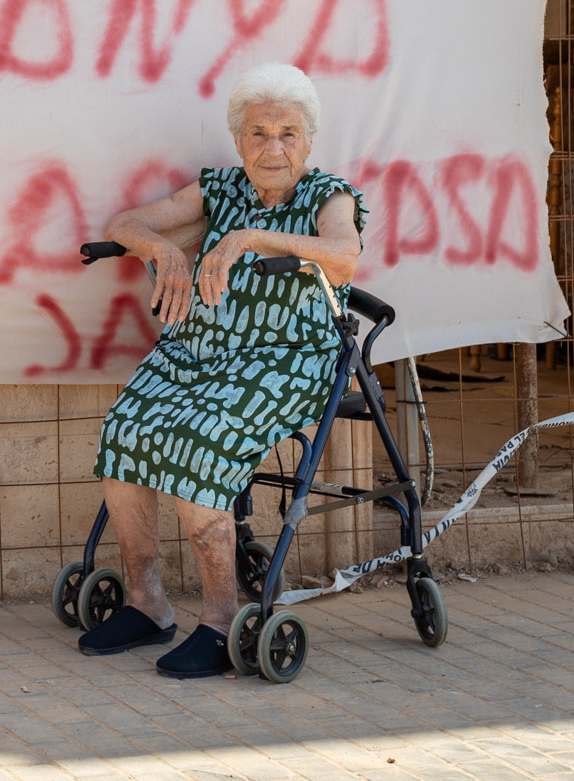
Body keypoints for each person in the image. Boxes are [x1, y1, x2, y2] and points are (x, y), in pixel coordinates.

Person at [78, 62, 365, 678]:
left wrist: (252, 239)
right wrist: (160, 249)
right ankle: (147, 602)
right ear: (238, 142)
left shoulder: (327, 196)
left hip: (286, 362)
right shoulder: (218, 189)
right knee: (123, 432)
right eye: (259, 132)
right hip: (200, 351)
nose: (273, 147)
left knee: (201, 449)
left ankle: (217, 619)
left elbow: (343, 257)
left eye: (288, 133)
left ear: (308, 142)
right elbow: (124, 226)